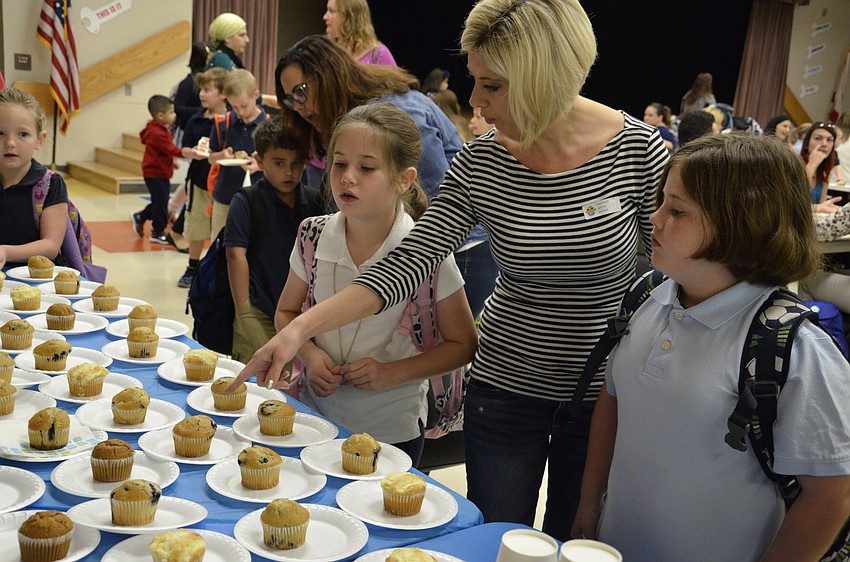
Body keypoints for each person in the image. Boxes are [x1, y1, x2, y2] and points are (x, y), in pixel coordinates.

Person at [232, 0, 668, 539]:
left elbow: (666, 282)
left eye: (493, 86)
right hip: (507, 385)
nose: (475, 101)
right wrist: (297, 328)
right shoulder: (484, 159)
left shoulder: (638, 151)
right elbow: (409, 262)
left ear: (543, 78)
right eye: (475, 81)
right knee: (496, 536)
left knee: (573, 536)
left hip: (599, 390)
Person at [572, 134, 850, 561]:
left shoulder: (794, 348)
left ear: (742, 224)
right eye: (662, 201)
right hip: (615, 545)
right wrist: (590, 503)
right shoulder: (648, 296)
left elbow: (831, 493)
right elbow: (613, 399)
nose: (655, 219)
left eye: (677, 210)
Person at [275, 104, 477, 465]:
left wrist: (391, 373)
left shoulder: (426, 252)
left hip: (392, 429)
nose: (348, 178)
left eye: (367, 168)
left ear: (404, 179)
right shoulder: (312, 235)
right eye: (339, 164)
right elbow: (287, 311)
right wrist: (310, 353)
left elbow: (463, 344)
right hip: (314, 418)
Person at [225, 116, 323, 363]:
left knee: (291, 384)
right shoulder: (246, 200)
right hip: (257, 308)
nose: (289, 172)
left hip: (301, 313)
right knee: (260, 376)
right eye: (279, 163)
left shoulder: (314, 201)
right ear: (259, 161)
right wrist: (243, 309)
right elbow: (236, 254)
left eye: (297, 163)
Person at [0, 88, 68, 269]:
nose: (10, 143)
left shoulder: (50, 184)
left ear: (39, 139)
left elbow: (51, 246)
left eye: (22, 134)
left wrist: (5, 252)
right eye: (0, 133)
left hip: (37, 278)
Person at [177, 68, 229, 289]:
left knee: (222, 229)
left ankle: (217, 268)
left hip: (223, 184)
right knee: (196, 225)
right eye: (201, 90)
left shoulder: (229, 120)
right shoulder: (195, 120)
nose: (202, 94)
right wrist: (191, 153)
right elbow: (185, 147)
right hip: (198, 181)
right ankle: (192, 266)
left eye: (208, 90)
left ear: (223, 94)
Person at [131, 95, 204, 244]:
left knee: (161, 202)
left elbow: (164, 151)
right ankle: (157, 231)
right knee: (161, 203)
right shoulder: (157, 133)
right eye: (171, 113)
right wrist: (186, 152)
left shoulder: (158, 129)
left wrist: (172, 161)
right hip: (155, 173)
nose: (175, 115)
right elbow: (171, 149)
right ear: (160, 116)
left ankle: (141, 216)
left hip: (160, 171)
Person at [208, 69, 269, 238]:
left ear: (255, 95)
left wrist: (260, 165)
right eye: (234, 107)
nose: (239, 111)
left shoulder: (269, 125)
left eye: (243, 105)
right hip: (224, 197)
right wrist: (221, 156)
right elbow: (211, 158)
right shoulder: (223, 123)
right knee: (219, 245)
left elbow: (279, 163)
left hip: (259, 199)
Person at [323, 0, 397, 66]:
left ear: (349, 17)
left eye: (331, 11)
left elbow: (395, 81)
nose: (325, 17)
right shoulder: (329, 54)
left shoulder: (379, 54)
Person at [172, 41, 212, 134]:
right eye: (209, 60)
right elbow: (177, 107)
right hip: (188, 130)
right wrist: (202, 111)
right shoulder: (188, 83)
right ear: (201, 60)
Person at [801, 121, 837, 204]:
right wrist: (812, 164)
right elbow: (791, 201)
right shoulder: (794, 165)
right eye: (818, 138)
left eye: (829, 140)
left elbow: (822, 205)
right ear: (807, 144)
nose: (824, 144)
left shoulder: (823, 173)